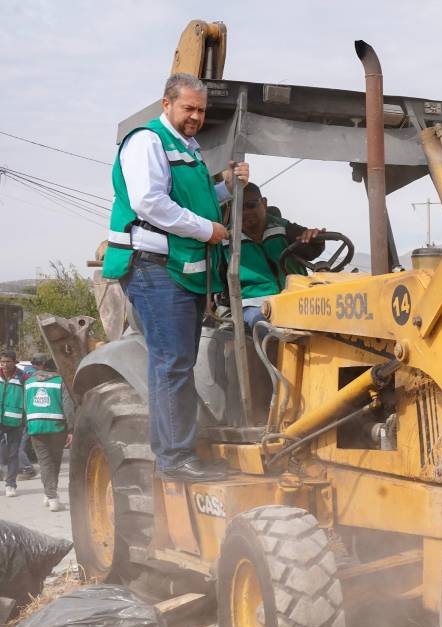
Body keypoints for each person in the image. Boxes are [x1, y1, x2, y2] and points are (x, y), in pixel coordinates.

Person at [101, 73, 249, 482]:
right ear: (166, 104)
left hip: (176, 270)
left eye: (201, 110)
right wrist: (206, 230)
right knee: (173, 363)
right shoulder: (147, 142)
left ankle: (180, 451)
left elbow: (192, 201)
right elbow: (149, 202)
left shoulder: (188, 149)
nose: (196, 116)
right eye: (189, 108)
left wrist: (227, 188)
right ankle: (174, 458)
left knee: (178, 362)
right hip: (154, 268)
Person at [227, 183, 324, 331]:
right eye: (239, 208)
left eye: (251, 205)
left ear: (264, 203)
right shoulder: (226, 240)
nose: (246, 212)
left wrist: (315, 238)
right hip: (254, 305)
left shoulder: (284, 229)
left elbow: (311, 249)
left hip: (296, 299)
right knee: (263, 324)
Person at [23, 354, 72, 512]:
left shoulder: (29, 382)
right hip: (57, 427)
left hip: (36, 427)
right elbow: (68, 407)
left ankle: (49, 495)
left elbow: (26, 406)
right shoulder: (60, 381)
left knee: (44, 463)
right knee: (55, 462)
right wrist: (71, 429)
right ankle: (52, 496)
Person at [0, 350, 23, 497]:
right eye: (2, 362)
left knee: (13, 454)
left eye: (8, 361)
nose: (4, 364)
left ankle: (11, 484)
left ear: (15, 362)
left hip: (16, 421)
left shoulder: (23, 378)